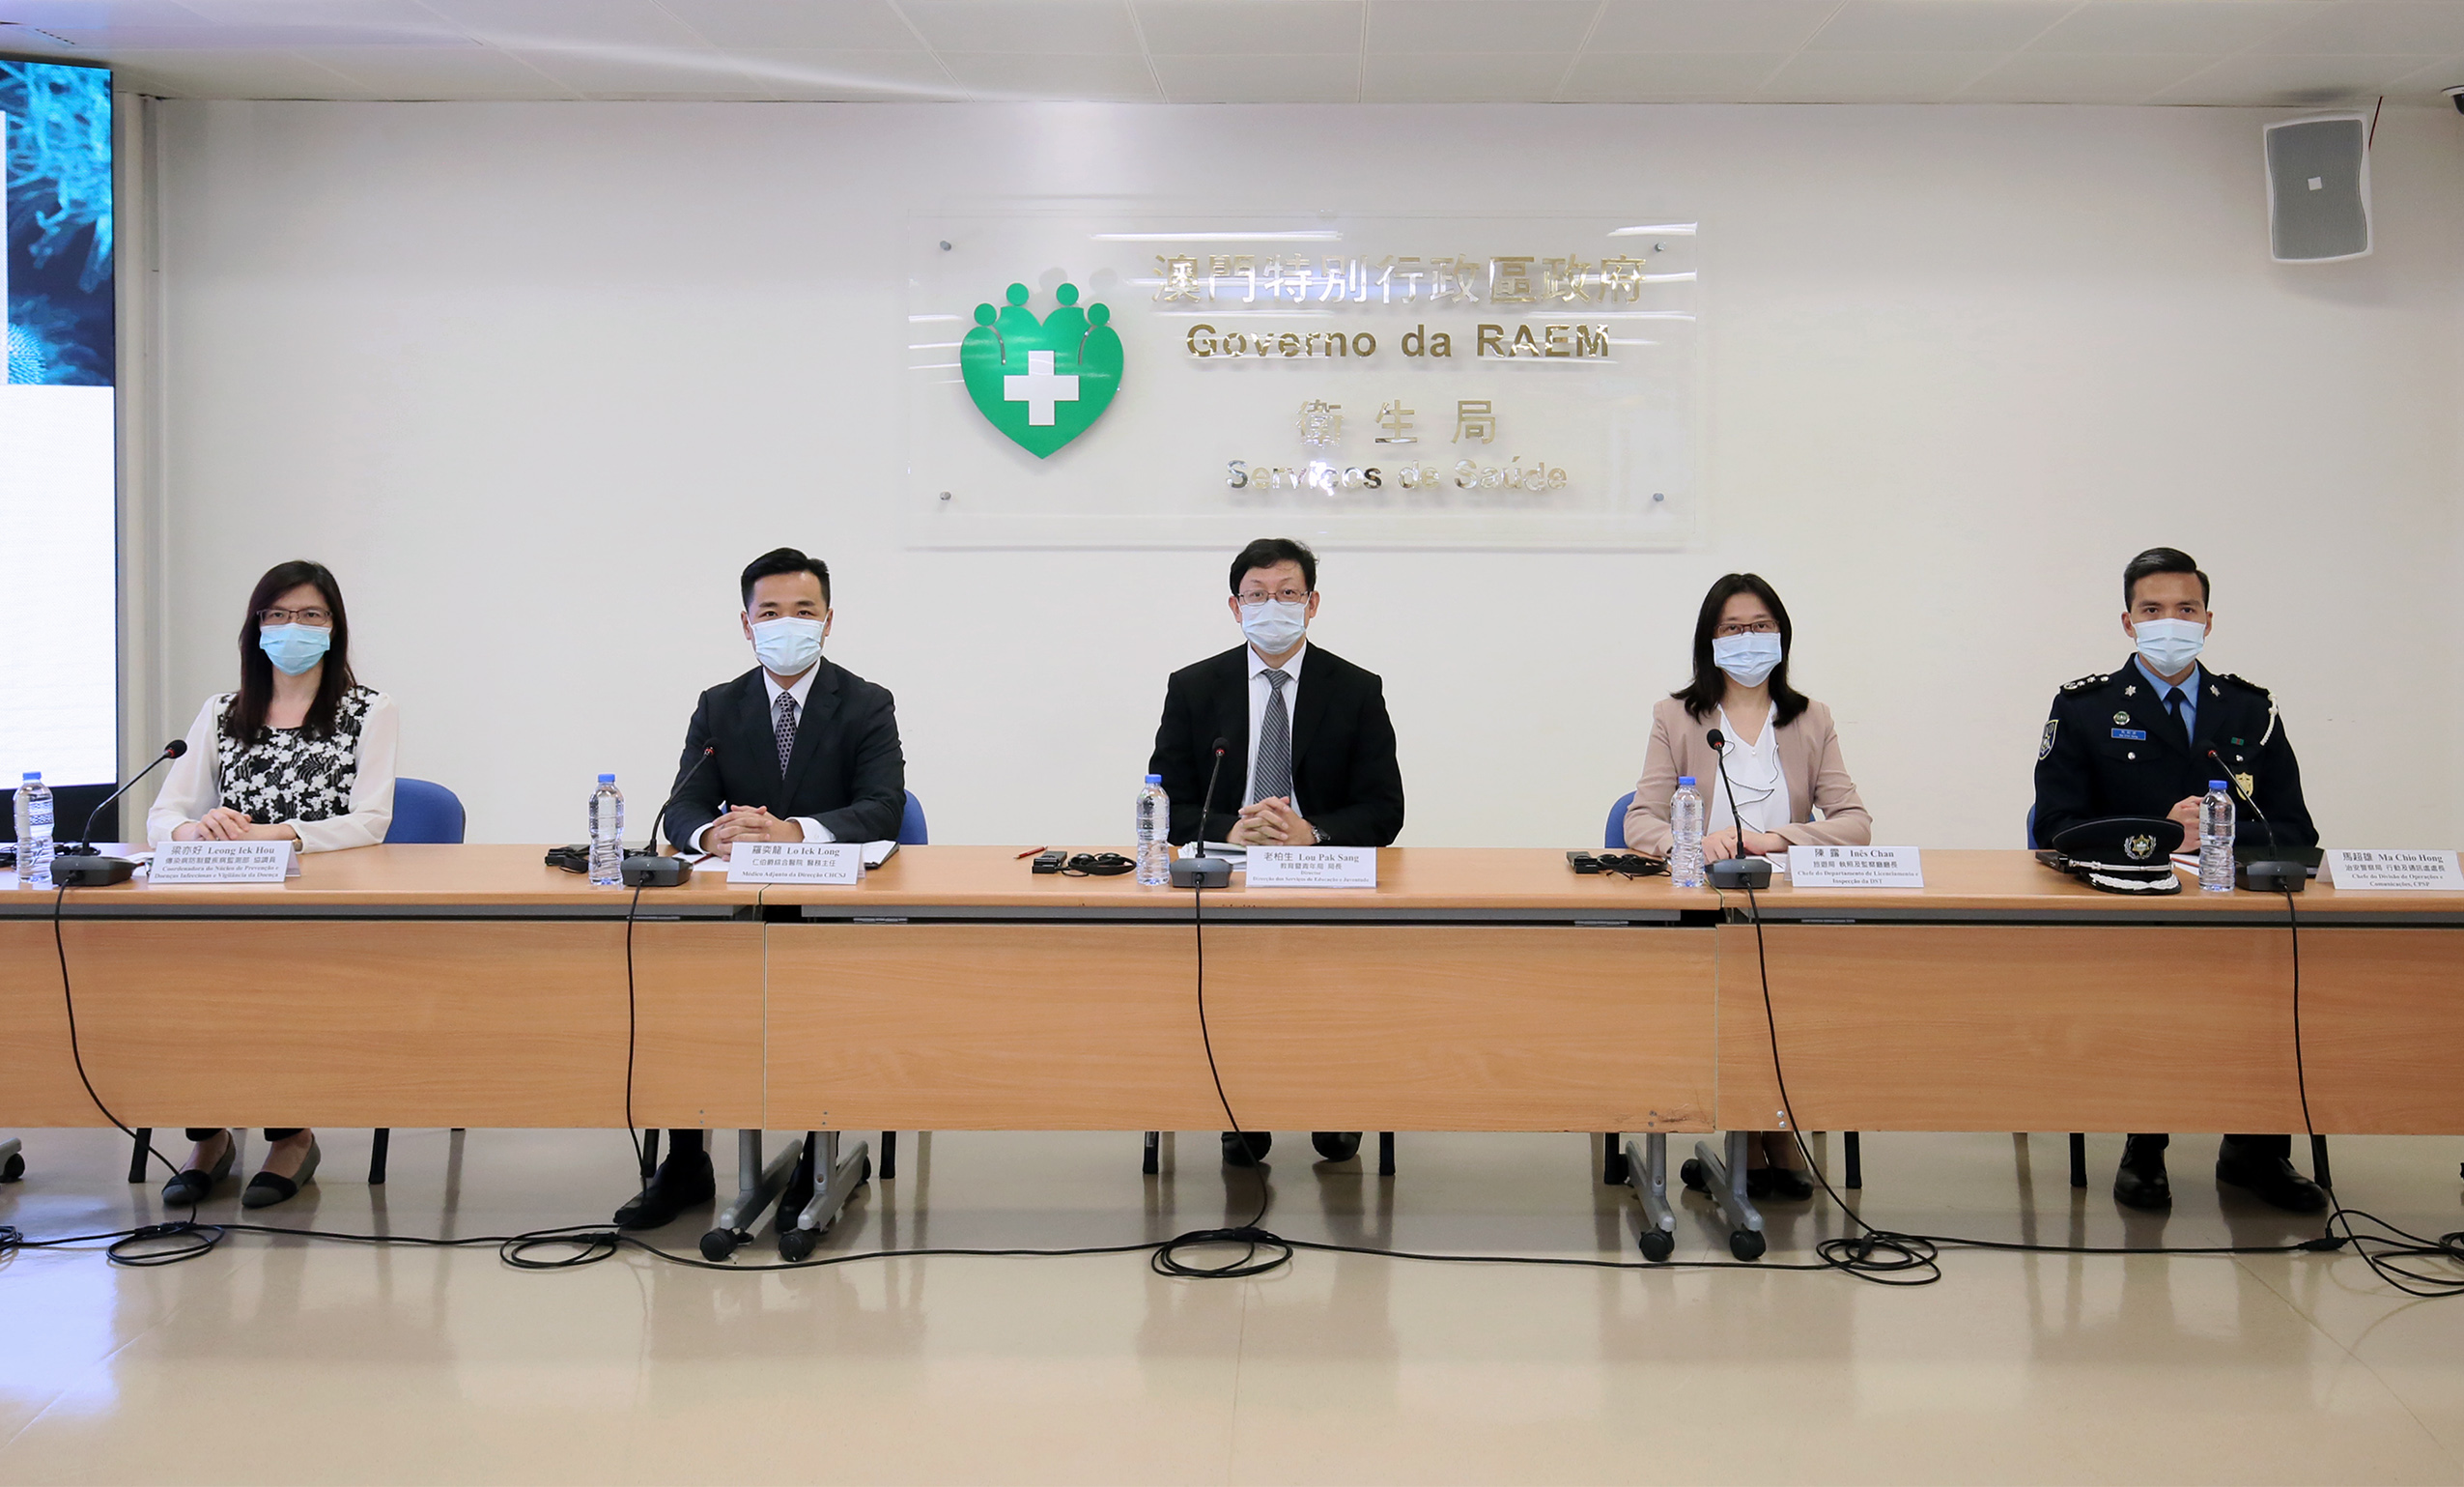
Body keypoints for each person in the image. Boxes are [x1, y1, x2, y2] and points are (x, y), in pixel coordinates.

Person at [615, 546, 906, 1231]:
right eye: (769, 612)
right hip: (733, 902)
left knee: (811, 990)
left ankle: (815, 1153)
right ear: (746, 625)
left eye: (802, 610)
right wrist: (710, 834)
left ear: (828, 619)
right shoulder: (719, 705)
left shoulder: (866, 702)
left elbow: (883, 807)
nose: (786, 624)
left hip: (827, 909)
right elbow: (684, 805)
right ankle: (687, 1159)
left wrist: (794, 832)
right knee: (685, 989)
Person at [2033, 546, 2324, 1214]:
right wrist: (2163, 831)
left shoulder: (2251, 710)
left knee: (2275, 975)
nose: (2170, 622)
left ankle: (2256, 1147)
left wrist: (2218, 831)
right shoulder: (2084, 707)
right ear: (2128, 622)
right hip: (2132, 907)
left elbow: (2295, 829)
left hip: (2237, 911)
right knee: (2152, 984)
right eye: (2152, 609)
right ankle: (2145, 1143)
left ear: (2208, 621)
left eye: (2185, 609)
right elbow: (2056, 826)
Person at [146, 559, 398, 1210]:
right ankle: (208, 1139)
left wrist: (280, 833)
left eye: (310, 614)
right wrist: (195, 829)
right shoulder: (223, 711)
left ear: (333, 627)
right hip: (225, 896)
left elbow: (371, 820)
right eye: (278, 614)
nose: (293, 627)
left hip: (322, 901)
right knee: (185, 987)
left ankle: (291, 1138)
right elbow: (163, 816)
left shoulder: (369, 709)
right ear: (257, 627)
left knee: (279, 992)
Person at [1148, 536, 1404, 1167]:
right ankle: (1243, 1107)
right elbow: (1164, 800)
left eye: (1287, 593)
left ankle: (1337, 1100)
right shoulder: (1194, 687)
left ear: (1311, 604)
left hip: (1324, 872)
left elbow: (1384, 810)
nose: (1272, 606)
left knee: (1333, 982)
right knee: (1235, 979)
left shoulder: (1355, 688)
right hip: (1229, 871)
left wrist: (1309, 832)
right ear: (1235, 607)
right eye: (1257, 595)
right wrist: (1230, 829)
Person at [1625, 573, 1871, 1200]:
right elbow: (1640, 820)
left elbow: (1854, 823)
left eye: (1760, 626)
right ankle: (1756, 1128)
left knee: (1786, 982)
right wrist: (1690, 842)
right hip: (1701, 903)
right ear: (1709, 640)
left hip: (1786, 907)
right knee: (1732, 980)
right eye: (1732, 628)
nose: (1748, 638)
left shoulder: (1810, 717)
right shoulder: (1676, 716)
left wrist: (1780, 838)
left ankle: (1771, 1124)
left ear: (1781, 635)